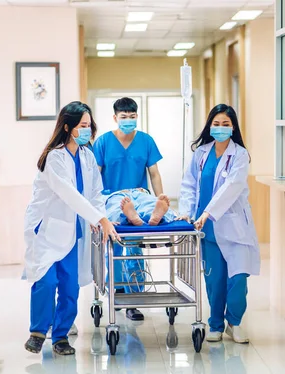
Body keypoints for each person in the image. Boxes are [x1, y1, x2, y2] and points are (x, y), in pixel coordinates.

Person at [23, 101, 119, 356]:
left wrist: (100, 216)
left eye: (89, 126)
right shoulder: (54, 157)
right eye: (82, 126)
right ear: (68, 127)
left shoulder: (87, 155)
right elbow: (69, 194)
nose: (87, 130)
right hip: (47, 229)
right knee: (46, 281)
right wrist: (100, 218)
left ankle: (61, 336)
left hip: (73, 230)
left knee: (70, 286)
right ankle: (37, 332)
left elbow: (95, 192)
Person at [178, 104, 260, 344]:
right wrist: (186, 212)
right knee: (214, 280)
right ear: (209, 125)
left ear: (233, 128)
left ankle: (234, 323)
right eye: (217, 123)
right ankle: (215, 323)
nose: (221, 128)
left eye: (226, 124)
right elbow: (189, 186)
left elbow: (232, 187)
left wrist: (209, 212)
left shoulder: (240, 155)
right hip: (207, 229)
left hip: (235, 227)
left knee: (237, 279)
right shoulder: (201, 153)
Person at [93, 97, 164, 321]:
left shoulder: (145, 141)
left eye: (132, 117)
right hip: (112, 198)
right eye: (124, 117)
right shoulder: (103, 142)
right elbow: (95, 176)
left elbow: (154, 173)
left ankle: (133, 300)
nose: (128, 120)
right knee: (113, 250)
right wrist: (95, 208)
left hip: (138, 196)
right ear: (115, 118)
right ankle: (118, 291)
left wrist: (159, 196)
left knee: (134, 248)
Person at [105, 188, 175, 226]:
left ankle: (128, 219)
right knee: (149, 204)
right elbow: (155, 174)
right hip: (141, 192)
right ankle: (152, 216)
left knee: (116, 208)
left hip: (119, 194)